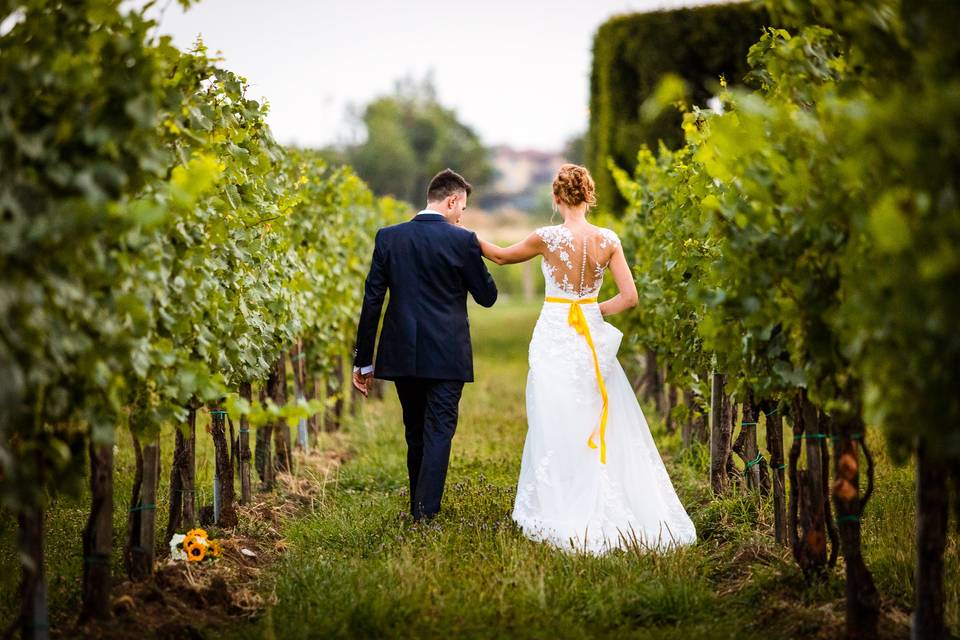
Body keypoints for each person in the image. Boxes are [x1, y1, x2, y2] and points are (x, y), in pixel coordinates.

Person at [478, 163, 697, 554]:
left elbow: (500, 257)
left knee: (553, 413)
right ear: (589, 195)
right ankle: (599, 491)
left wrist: (465, 236)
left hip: (555, 330)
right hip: (589, 334)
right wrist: (596, 312)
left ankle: (562, 498)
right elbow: (629, 297)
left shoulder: (546, 237)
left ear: (557, 198)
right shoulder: (607, 239)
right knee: (595, 412)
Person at [352, 168, 498, 522]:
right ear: (452, 201)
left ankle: (418, 509)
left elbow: (372, 301)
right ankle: (424, 515)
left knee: (415, 430)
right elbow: (488, 296)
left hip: (401, 351)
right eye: (462, 208)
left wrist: (364, 361)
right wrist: (471, 251)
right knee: (439, 431)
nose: (462, 215)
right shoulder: (462, 241)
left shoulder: (389, 237)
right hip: (448, 354)